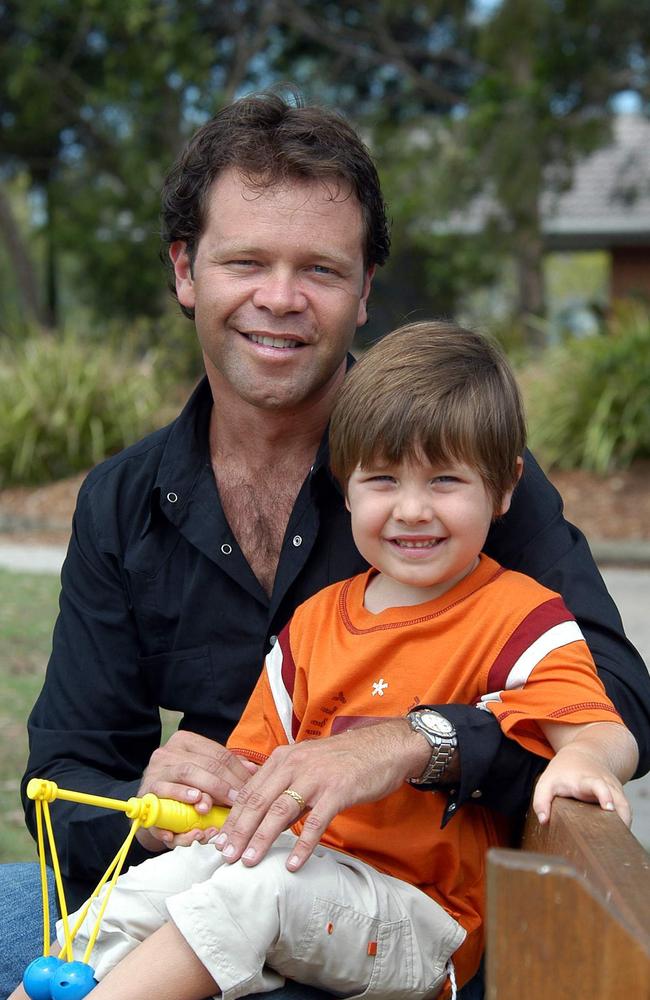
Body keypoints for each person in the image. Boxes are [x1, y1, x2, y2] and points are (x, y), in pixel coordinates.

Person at [3, 91, 650, 1000]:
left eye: (319, 268)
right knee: (22, 927)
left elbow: (614, 691)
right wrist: (161, 812)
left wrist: (416, 742)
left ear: (364, 291)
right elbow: (67, 773)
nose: (280, 297)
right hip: (224, 873)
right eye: (245, 261)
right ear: (187, 270)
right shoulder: (122, 502)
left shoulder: (455, 474)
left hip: (393, 916)